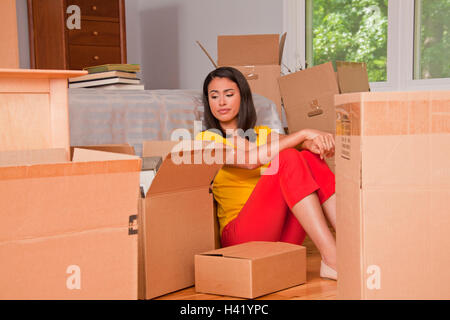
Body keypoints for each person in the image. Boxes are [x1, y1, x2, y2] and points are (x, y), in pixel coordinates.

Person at [195, 66, 337, 280]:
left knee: (308, 157)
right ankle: (333, 257)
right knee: (288, 157)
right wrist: (305, 132)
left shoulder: (263, 135)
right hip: (242, 238)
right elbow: (250, 160)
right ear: (209, 103)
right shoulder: (207, 141)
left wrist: (317, 142)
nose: (221, 102)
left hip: (279, 236)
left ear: (242, 98)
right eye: (214, 96)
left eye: (229, 94)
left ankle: (353, 245)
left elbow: (301, 145)